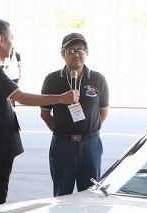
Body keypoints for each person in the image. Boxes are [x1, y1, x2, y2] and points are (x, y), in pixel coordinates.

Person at [0, 19, 78, 205]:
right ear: (1, 39)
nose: (13, 42)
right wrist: (61, 98)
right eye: (11, 37)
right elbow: (22, 97)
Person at [40, 33, 109, 197]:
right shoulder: (52, 80)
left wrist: (88, 131)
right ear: (62, 53)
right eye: (71, 50)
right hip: (62, 146)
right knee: (62, 195)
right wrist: (62, 132)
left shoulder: (98, 79)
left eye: (80, 50)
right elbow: (45, 114)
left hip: (90, 145)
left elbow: (103, 111)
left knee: (91, 195)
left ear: (87, 53)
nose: (76, 54)